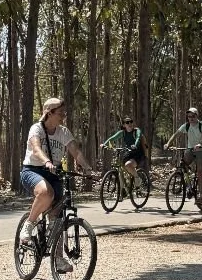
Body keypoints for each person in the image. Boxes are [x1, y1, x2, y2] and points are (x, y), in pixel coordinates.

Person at [19, 97, 93, 258]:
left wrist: (87, 168)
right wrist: (46, 161)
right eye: (60, 113)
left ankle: (58, 259)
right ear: (49, 113)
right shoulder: (36, 129)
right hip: (32, 170)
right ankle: (29, 224)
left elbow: (76, 152)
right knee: (47, 193)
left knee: (57, 218)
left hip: (54, 173)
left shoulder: (63, 132)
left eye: (64, 112)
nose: (63, 116)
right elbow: (36, 148)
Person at [167, 106, 202, 207]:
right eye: (189, 116)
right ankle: (189, 185)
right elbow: (176, 134)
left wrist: (200, 144)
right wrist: (168, 143)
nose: (190, 118)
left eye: (193, 116)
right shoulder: (186, 126)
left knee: (199, 170)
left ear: (197, 116)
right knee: (183, 165)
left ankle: (200, 195)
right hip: (191, 149)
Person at [105, 114, 148, 182]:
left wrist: (135, 145)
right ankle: (127, 182)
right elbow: (112, 138)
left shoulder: (137, 131)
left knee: (128, 165)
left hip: (138, 153)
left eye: (131, 121)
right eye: (127, 122)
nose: (130, 123)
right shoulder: (123, 133)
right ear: (124, 125)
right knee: (121, 164)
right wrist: (104, 145)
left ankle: (137, 179)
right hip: (129, 152)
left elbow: (138, 138)